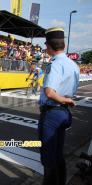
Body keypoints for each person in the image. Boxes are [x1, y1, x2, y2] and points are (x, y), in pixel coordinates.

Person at [38, 27, 79, 185]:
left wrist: (63, 99)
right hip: (63, 113)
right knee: (58, 155)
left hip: (52, 113)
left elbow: (49, 92)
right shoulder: (73, 65)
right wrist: (66, 100)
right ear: (64, 44)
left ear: (48, 45)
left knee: (48, 157)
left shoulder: (54, 65)